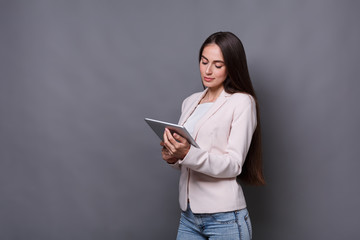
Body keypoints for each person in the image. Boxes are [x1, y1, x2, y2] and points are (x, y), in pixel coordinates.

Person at [160, 31, 265, 240]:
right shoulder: (190, 102)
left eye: (218, 65)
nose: (208, 70)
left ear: (232, 67)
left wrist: (188, 153)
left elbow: (233, 164)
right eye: (204, 61)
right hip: (189, 216)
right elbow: (187, 160)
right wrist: (174, 157)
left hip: (224, 219)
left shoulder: (242, 102)